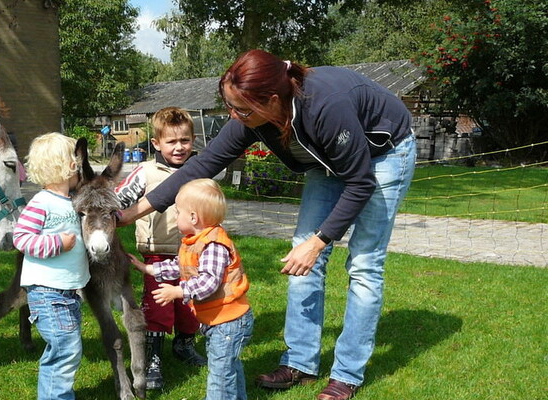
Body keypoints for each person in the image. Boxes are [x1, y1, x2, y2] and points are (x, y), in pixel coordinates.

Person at [118, 49, 417, 400]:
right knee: (301, 260)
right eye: (229, 106)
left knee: (364, 265)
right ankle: (301, 363)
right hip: (328, 162)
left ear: (273, 100)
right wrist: (127, 214)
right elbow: (203, 165)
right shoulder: (251, 113)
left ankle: (346, 374)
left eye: (240, 109)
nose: (234, 116)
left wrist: (320, 240)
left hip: (383, 154)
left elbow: (360, 182)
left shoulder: (326, 106)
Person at [128, 178, 254, 400]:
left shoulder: (214, 245)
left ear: (193, 217)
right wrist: (147, 268)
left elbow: (208, 282)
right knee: (229, 369)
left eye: (178, 212)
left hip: (229, 323)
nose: (176, 217)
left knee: (219, 375)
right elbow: (180, 266)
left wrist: (178, 292)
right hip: (220, 320)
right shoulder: (194, 241)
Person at [114, 107, 208, 390]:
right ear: (156, 143)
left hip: (195, 253)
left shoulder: (201, 169)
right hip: (158, 254)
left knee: (191, 305)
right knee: (158, 307)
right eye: (171, 141)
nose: (179, 147)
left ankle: (184, 344)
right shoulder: (146, 171)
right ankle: (153, 358)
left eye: (185, 140)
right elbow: (120, 199)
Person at [12, 132, 88, 400]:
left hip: (66, 293)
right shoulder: (42, 202)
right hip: (48, 292)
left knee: (66, 348)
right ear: (70, 166)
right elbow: (21, 238)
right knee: (65, 349)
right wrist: (57, 243)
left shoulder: (71, 201)